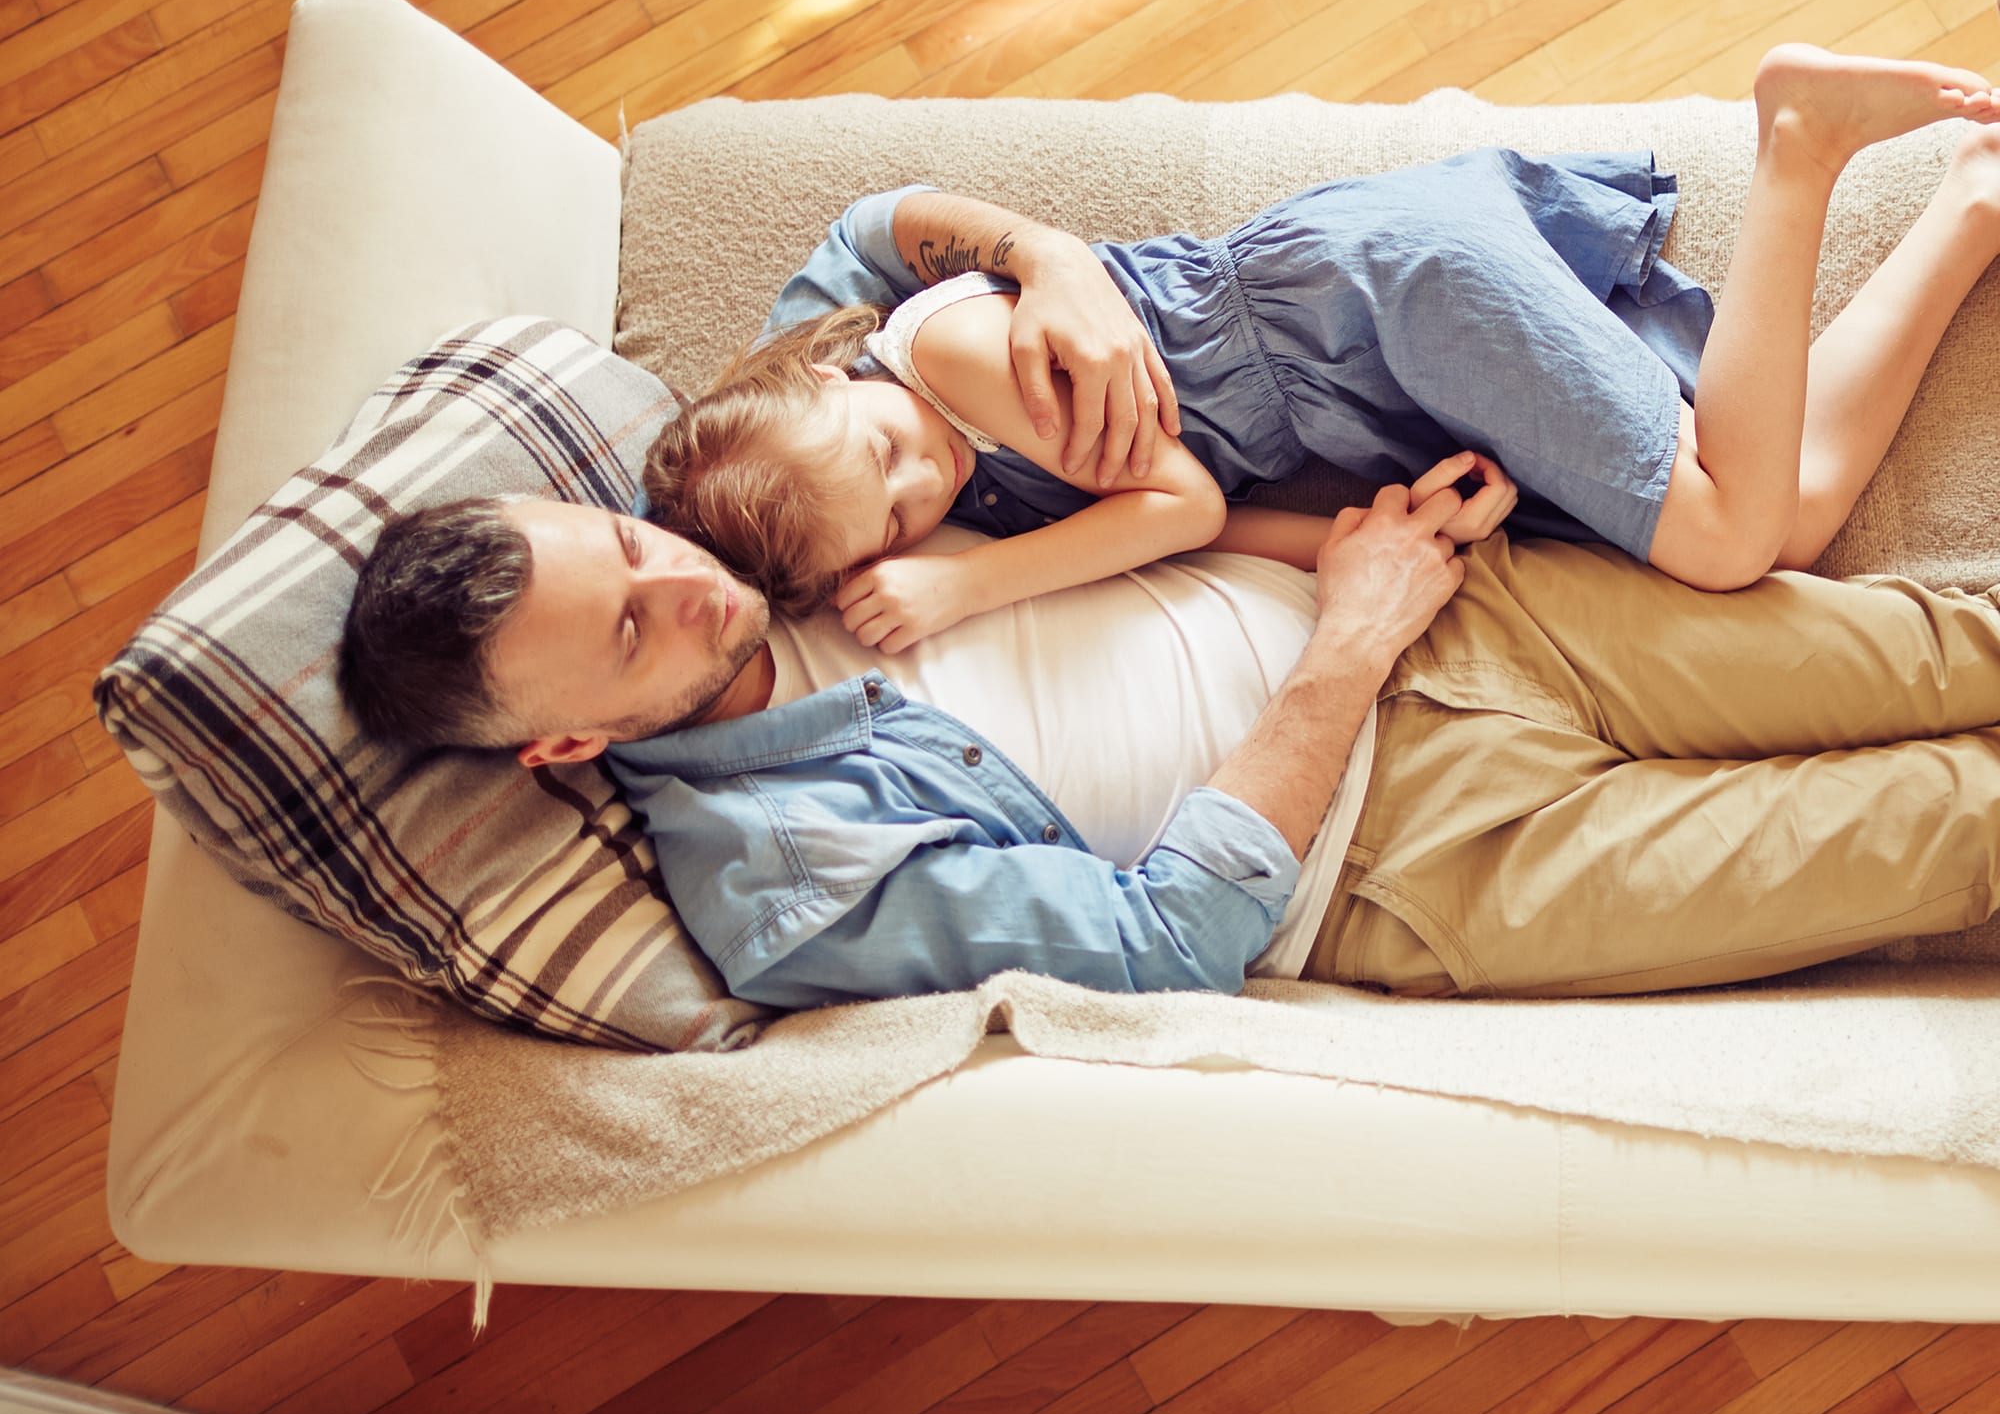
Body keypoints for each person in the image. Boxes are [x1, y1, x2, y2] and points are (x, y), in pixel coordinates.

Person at [338, 474, 2000, 1010]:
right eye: (630, 628)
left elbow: (875, 257)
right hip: (1423, 866)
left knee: (1949, 649)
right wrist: (1350, 640)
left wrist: (1341, 565)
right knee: (1955, 824)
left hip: (1471, 617)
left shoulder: (753, 523)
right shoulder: (774, 885)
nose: (685, 588)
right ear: (561, 751)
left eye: (624, 547)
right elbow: (1162, 941)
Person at [639, 46, 1999, 656]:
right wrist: (1377, 544)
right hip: (1385, 369)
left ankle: (1796, 148)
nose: (915, 489)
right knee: (1786, 513)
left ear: (829, 373)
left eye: (878, 459)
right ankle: (1975, 201)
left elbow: (1177, 504)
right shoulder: (917, 475)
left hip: (1383, 301)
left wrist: (969, 591)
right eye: (888, 524)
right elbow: (1202, 526)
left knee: (1717, 537)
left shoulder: (946, 359)